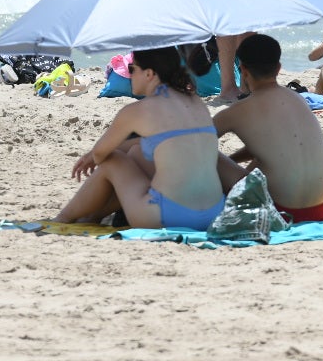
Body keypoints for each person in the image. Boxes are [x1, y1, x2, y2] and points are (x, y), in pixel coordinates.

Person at [52, 47, 227, 230]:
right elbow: (165, 142)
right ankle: (90, 216)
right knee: (138, 154)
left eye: (132, 69)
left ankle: (63, 218)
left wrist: (93, 155)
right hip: (213, 214)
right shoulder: (196, 102)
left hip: (167, 215)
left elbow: (101, 155)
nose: (129, 74)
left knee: (114, 160)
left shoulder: (138, 110)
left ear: (150, 73)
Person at [212, 34, 323, 222]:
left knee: (207, 152)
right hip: (322, 209)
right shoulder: (298, 100)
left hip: (280, 212)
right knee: (265, 160)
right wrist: (234, 160)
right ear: (278, 68)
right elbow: (269, 145)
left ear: (243, 70)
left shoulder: (238, 111)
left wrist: (227, 162)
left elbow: (197, 143)